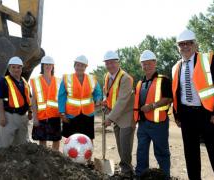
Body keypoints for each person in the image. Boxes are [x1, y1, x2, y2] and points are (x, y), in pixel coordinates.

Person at [172, 29, 214, 180]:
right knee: (191, 156)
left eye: (188, 43)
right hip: (186, 116)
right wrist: (177, 115)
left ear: (195, 44)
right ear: (178, 47)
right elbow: (176, 93)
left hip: (207, 115)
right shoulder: (176, 67)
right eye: (181, 44)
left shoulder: (208, 60)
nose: (185, 47)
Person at [133, 50, 172, 179]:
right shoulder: (140, 83)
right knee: (141, 152)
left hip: (158, 124)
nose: (146, 66)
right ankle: (141, 176)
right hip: (142, 124)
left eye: (149, 63)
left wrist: (152, 106)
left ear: (155, 63)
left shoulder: (163, 80)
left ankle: (165, 177)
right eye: (143, 64)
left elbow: (168, 99)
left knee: (161, 153)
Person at [103, 50, 135, 178]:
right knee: (120, 145)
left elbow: (122, 101)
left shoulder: (125, 78)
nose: (110, 65)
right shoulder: (107, 76)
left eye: (112, 63)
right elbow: (109, 94)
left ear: (118, 63)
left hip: (126, 116)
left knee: (125, 144)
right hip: (116, 116)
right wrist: (106, 103)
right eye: (107, 63)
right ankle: (125, 167)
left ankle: (127, 171)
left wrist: (109, 118)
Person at [58, 55, 102, 142]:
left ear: (86, 67)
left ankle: (88, 156)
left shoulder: (92, 79)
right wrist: (62, 113)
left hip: (88, 114)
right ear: (74, 66)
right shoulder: (66, 78)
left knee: (88, 139)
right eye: (78, 65)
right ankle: (70, 156)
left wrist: (98, 99)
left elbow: (98, 93)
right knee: (71, 140)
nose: (79, 67)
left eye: (82, 65)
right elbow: (61, 96)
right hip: (71, 114)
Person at [0, 56, 32, 149]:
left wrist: (30, 112)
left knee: (20, 147)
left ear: (21, 68)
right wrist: (2, 115)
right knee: (3, 146)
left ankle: (17, 163)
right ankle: (2, 163)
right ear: (9, 68)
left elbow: (28, 98)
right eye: (13, 67)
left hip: (23, 117)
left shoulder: (24, 82)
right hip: (8, 117)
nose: (16, 69)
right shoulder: (3, 81)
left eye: (19, 67)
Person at [30, 56, 61, 151]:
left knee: (56, 140)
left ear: (53, 66)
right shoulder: (36, 81)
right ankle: (44, 161)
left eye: (49, 65)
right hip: (41, 116)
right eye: (46, 64)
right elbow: (34, 101)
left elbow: (61, 99)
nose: (48, 66)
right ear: (42, 66)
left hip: (55, 116)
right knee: (42, 140)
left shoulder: (58, 81)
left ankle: (55, 159)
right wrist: (35, 117)